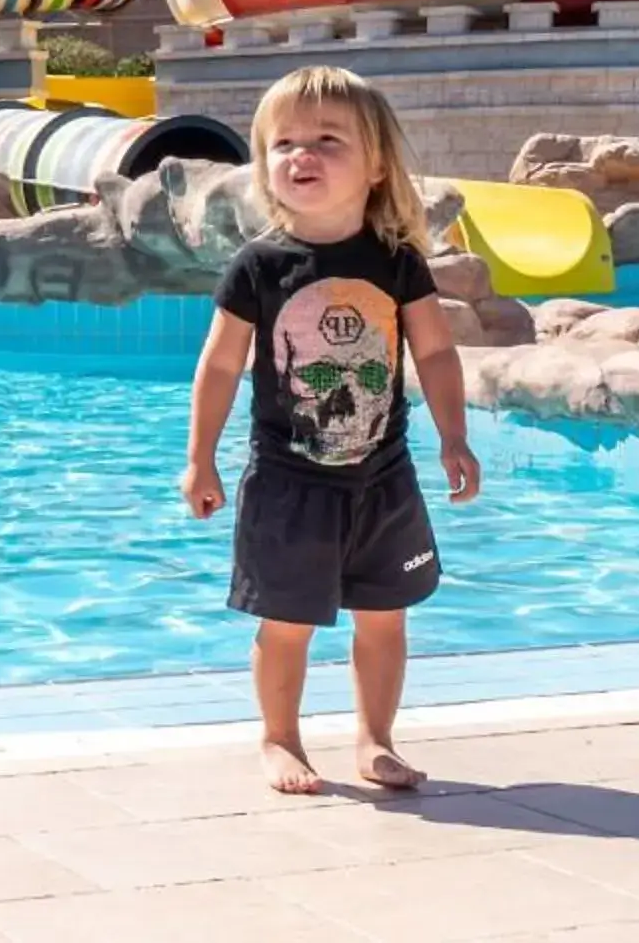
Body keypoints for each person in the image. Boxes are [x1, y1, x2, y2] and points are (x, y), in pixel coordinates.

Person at [180, 64, 482, 794]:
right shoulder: (259, 266)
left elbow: (435, 350)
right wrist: (201, 460)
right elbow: (219, 367)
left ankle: (375, 741)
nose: (300, 155)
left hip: (383, 479)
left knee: (384, 617)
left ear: (376, 165)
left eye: (325, 139)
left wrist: (453, 436)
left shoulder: (398, 263)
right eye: (282, 143)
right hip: (289, 482)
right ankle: (280, 739)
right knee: (287, 623)